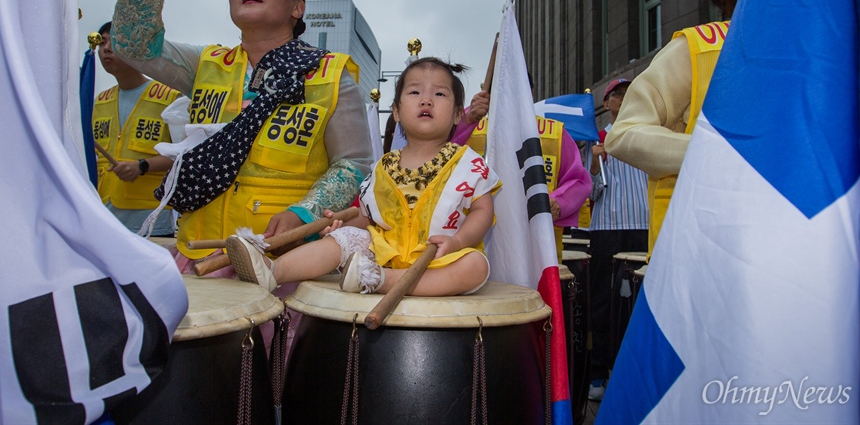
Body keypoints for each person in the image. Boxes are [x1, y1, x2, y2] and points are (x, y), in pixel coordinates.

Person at [110, 0, 374, 272]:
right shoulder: (206, 64)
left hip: (282, 259)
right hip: (199, 253)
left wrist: (303, 213)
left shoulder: (328, 73)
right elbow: (132, 46)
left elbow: (354, 164)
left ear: (298, 8)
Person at [225, 58, 501, 297]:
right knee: (345, 237)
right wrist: (340, 221)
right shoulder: (384, 165)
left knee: (476, 266)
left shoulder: (468, 162)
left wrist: (459, 242)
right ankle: (272, 271)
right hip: (384, 254)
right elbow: (370, 217)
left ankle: (382, 282)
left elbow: (482, 212)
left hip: (441, 259)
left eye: (439, 94)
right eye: (415, 92)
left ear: (457, 114)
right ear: (396, 111)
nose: (426, 99)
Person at [604, 0, 769, 258]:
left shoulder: (836, 55)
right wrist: (717, 153)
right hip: (706, 257)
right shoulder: (698, 48)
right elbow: (625, 132)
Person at [452, 88, 592, 261]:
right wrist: (467, 120)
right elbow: (434, 151)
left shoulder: (555, 133)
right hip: (474, 244)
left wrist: (559, 202)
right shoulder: (470, 125)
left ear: (529, 93)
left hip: (534, 245)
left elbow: (578, 180)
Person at [586, 77, 649, 401]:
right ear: (607, 102)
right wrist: (597, 161)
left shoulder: (648, 135)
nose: (623, 100)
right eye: (617, 95)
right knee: (602, 302)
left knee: (640, 302)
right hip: (607, 228)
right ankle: (598, 372)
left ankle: (634, 371)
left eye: (629, 94)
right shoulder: (597, 140)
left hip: (643, 227)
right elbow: (591, 191)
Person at [93, 21, 179, 235]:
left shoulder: (170, 97)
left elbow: (185, 154)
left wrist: (142, 166)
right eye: (102, 42)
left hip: (152, 220)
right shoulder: (99, 102)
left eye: (115, 42)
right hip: (105, 216)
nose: (106, 48)